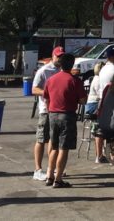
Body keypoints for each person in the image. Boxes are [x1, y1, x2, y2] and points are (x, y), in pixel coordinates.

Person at [42, 53, 86, 187]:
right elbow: (83, 100)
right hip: (67, 115)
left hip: (53, 114)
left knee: (54, 146)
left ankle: (49, 175)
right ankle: (58, 178)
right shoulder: (75, 80)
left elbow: (46, 98)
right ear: (72, 65)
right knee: (64, 148)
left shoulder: (51, 79)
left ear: (60, 64)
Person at [31, 46, 63, 182]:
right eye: (58, 56)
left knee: (53, 140)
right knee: (41, 139)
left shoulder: (62, 70)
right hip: (45, 110)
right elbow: (34, 89)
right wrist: (48, 93)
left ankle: (52, 168)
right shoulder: (43, 71)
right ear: (53, 56)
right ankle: (37, 170)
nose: (59, 59)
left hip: (57, 110)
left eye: (61, 56)